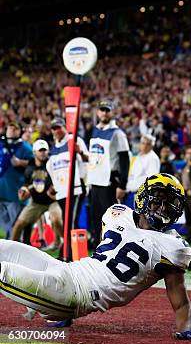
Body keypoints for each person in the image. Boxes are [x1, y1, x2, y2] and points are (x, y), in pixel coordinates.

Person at [0, 173, 191, 342]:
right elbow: (102, 257)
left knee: (3, 271)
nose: (162, 207)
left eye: (169, 202)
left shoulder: (173, 247)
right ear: (144, 197)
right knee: (4, 248)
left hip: (75, 296)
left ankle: (60, 311)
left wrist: (185, 328)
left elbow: (180, 299)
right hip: (68, 271)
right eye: (158, 199)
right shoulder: (117, 213)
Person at [87, 100, 130, 246]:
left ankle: (113, 247)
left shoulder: (117, 133)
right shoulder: (93, 131)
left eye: (107, 110)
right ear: (98, 112)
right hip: (95, 181)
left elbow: (125, 159)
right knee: (96, 217)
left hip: (110, 181)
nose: (104, 113)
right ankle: (99, 246)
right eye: (102, 110)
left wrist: (122, 185)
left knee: (111, 218)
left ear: (112, 113)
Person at [47, 117, 89, 255]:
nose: (57, 130)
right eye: (54, 128)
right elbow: (52, 170)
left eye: (59, 127)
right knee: (68, 222)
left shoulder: (75, 140)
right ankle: (75, 252)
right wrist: (53, 186)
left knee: (70, 222)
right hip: (61, 191)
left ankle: (67, 254)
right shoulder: (53, 149)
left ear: (65, 127)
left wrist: (80, 152)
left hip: (75, 188)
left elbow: (88, 159)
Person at [11, 140, 63, 249]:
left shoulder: (52, 164)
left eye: (45, 150)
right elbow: (27, 184)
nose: (43, 153)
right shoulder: (30, 167)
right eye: (41, 151)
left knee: (56, 219)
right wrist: (24, 190)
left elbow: (60, 179)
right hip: (36, 202)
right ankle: (12, 248)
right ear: (35, 152)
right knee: (18, 225)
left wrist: (55, 187)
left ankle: (64, 243)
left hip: (52, 200)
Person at [0, 122, 33, 240]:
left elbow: (35, 164)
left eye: (15, 129)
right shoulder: (1, 144)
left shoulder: (25, 147)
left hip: (15, 194)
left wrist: (21, 162)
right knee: (6, 225)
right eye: (10, 128)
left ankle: (15, 254)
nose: (12, 130)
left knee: (15, 228)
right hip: (1, 192)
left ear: (20, 131)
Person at [126, 134, 161, 207]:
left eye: (148, 144)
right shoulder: (139, 156)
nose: (145, 146)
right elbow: (133, 174)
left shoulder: (152, 158)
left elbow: (152, 179)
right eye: (143, 143)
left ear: (152, 146)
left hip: (143, 195)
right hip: (132, 194)